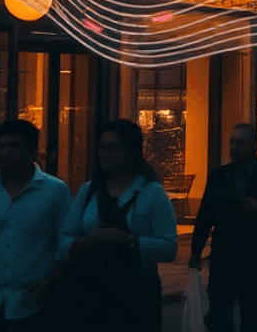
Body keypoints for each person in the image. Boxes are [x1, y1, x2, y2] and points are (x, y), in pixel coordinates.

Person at [56, 118, 178, 332]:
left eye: (114, 148)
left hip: (135, 293)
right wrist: (81, 244)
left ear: (132, 152)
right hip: (90, 290)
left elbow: (169, 248)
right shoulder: (89, 190)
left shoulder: (151, 193)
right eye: (102, 147)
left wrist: (130, 241)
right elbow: (65, 237)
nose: (106, 154)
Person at [0, 118, 72, 331]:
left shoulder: (55, 191)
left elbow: (66, 246)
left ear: (33, 152)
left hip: (36, 306)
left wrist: (49, 283)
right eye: (1, 146)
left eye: (14, 146)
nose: (5, 152)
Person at [190, 123, 257, 332]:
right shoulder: (219, 175)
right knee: (219, 316)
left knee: (253, 318)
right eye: (232, 142)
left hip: (255, 260)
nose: (234, 147)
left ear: (255, 146)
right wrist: (195, 252)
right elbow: (205, 214)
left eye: (241, 142)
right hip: (223, 258)